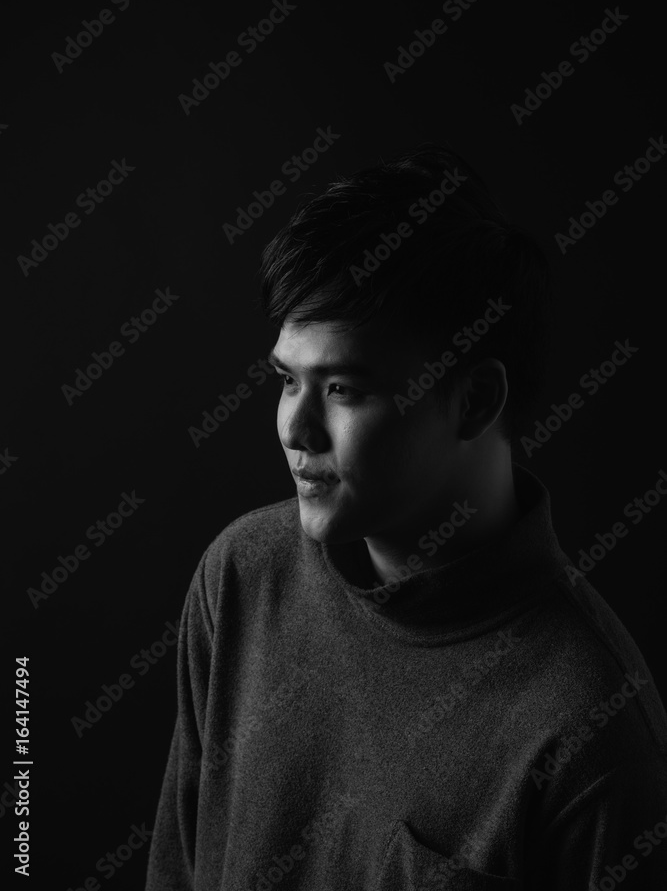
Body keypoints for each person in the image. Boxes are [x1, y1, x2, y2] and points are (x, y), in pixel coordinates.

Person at [145, 142, 667, 890]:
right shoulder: (239, 578)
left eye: (342, 389)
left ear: (475, 401)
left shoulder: (590, 729)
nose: (294, 427)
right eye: (287, 380)